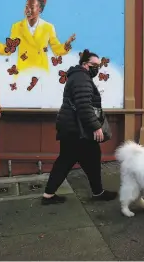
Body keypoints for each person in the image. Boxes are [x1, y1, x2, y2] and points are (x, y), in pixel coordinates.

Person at [42, 49, 118, 205]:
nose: (97, 68)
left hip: (72, 129)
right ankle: (97, 192)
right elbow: (84, 105)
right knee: (87, 158)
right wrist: (96, 127)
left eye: (99, 65)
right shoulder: (81, 78)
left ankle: (49, 194)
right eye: (94, 65)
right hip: (78, 130)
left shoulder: (78, 77)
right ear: (85, 64)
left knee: (70, 159)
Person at [0, 0, 76, 74]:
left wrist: (67, 44)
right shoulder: (17, 27)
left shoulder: (48, 27)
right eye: (26, 7)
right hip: (22, 72)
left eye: (32, 7)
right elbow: (9, 49)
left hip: (41, 73)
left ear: (40, 9)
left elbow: (56, 49)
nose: (28, 10)